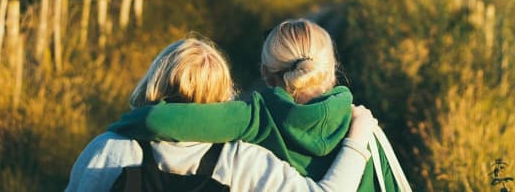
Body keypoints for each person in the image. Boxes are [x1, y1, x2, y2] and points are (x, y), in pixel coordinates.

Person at [110, 20, 410, 191]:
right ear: (332, 69)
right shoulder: (365, 129)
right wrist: (359, 137)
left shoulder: (253, 117)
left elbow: (154, 121)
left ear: (266, 74)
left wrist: (118, 129)